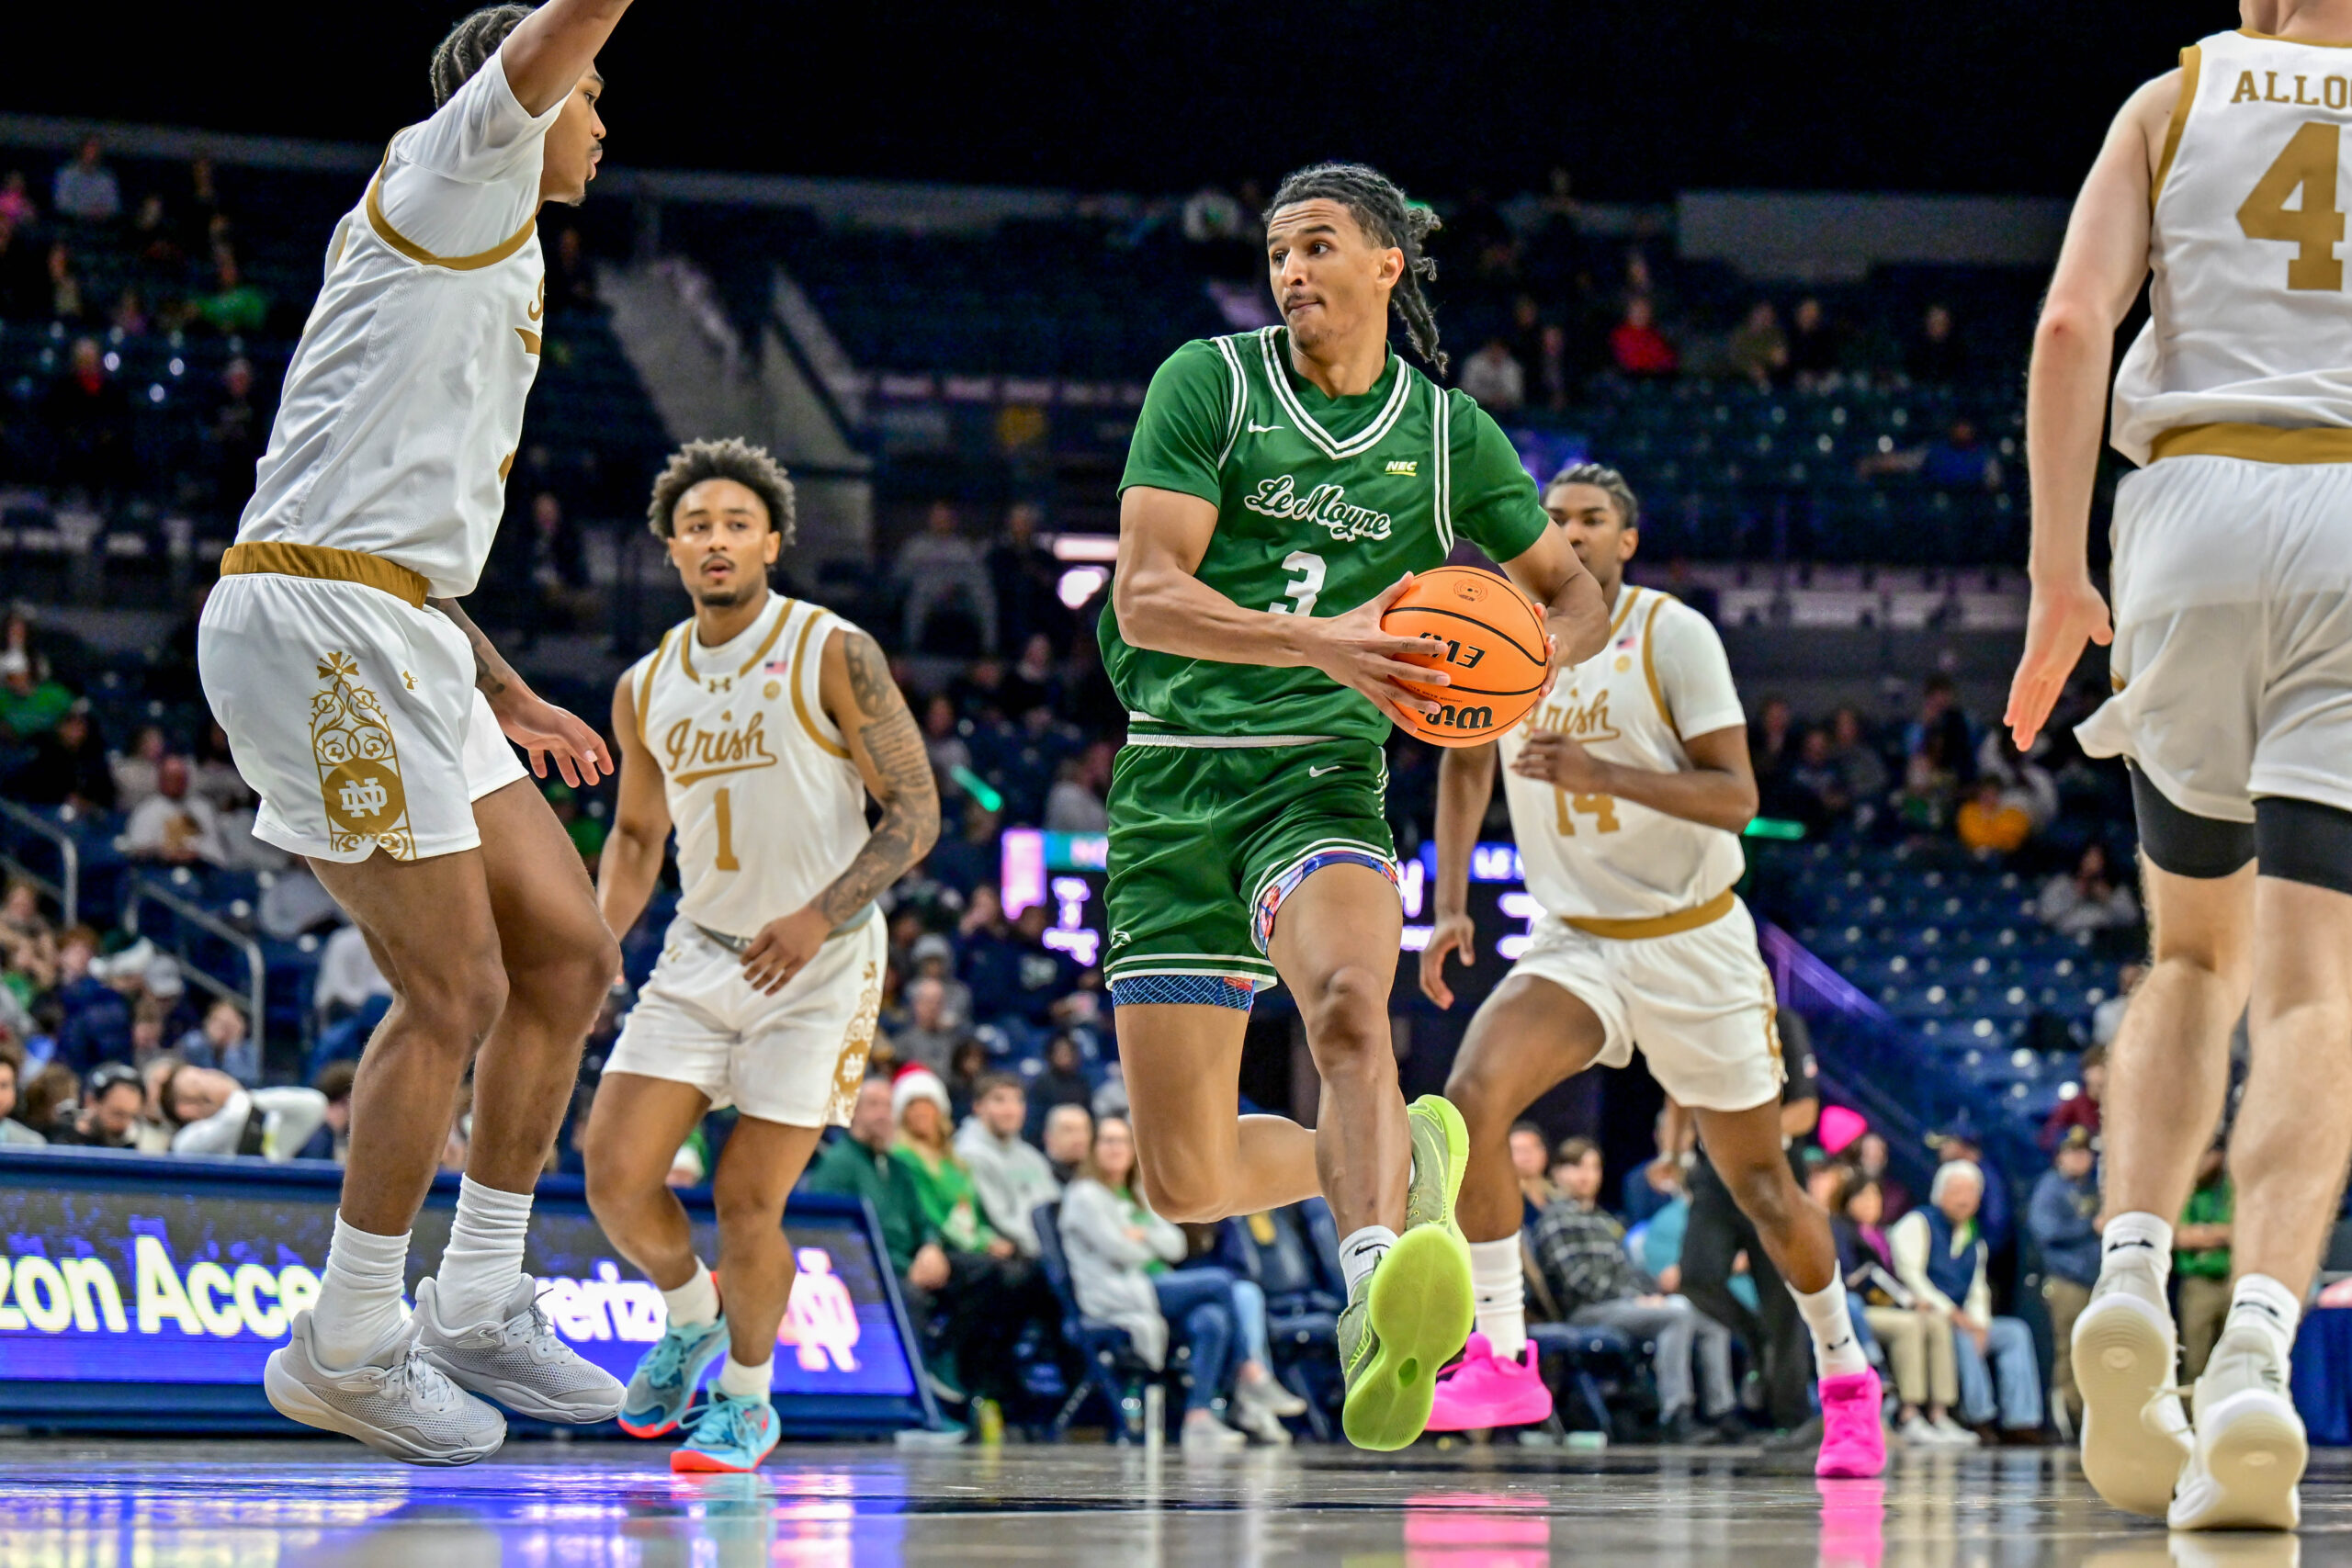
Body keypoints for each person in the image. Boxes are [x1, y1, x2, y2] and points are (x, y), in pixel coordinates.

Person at [1102, 161, 1610, 1452]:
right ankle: (1402, 1164)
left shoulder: (1450, 441)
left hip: (1319, 776)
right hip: (1171, 777)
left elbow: (1575, 594)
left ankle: (1375, 1286)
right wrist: (1322, 637)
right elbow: (1146, 596)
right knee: (1187, 1179)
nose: (1291, 272)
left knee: (1346, 1009)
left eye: (1317, 245)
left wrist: (1515, 675)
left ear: (1387, 262)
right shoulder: (1207, 383)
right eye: (1278, 251)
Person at [193, 0, 639, 1465]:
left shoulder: (490, 244)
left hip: (410, 626)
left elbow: (404, 540)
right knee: (448, 988)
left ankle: (481, 1291)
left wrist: (502, 686)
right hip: (317, 624)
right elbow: (553, 44)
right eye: (591, 95)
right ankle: (350, 1336)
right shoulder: (458, 165)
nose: (599, 119)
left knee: (567, 954)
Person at [2005, 11, 2352, 1529]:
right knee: (2318, 984)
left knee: (2190, 950)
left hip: (2195, 508)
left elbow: (2077, 324)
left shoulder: (2176, 89)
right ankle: (2263, 1346)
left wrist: (2053, 578)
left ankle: (2134, 1260)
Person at [1419, 462, 1882, 1478]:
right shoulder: (1504, 633)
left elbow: (1734, 795)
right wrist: (1450, 901)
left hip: (1693, 938)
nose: (1569, 534)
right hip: (1575, 939)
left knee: (1761, 1185)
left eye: (1590, 520)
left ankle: (1846, 1375)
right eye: (1554, 520)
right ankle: (1502, 1351)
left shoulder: (1670, 634)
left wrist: (1600, 774)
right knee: (1471, 1097)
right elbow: (1461, 761)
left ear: (1626, 541)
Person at [583, 437, 937, 1474]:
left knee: (747, 1200)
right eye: (697, 526)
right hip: (699, 954)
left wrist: (820, 915)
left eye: (737, 522)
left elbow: (915, 813)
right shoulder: (644, 685)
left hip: (820, 964)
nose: (718, 539)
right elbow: (639, 837)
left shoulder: (832, 649)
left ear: (772, 540)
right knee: (613, 1176)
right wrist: (600, 940)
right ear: (670, 551)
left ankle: (745, 1397)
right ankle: (691, 1315)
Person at [1060, 1115, 1284, 1449]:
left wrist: (1141, 1235)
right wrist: (1142, 1242)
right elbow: (1120, 1250)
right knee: (1220, 1282)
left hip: (1155, 1286)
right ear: (1094, 1149)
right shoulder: (1085, 1196)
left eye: (1122, 1141)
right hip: (1117, 1293)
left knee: (1212, 1319)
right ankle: (1249, 1372)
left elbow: (1177, 1244)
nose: (1115, 1148)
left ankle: (1198, 1417)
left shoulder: (1137, 1193)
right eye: (1106, 1140)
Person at [1528, 1139, 1741, 1443]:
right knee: (1675, 1317)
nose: (1586, 1175)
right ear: (1558, 1173)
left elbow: (1629, 1272)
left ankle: (1722, 1412)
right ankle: (1676, 1414)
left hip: (1623, 1306)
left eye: (1593, 1167)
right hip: (1587, 1311)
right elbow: (1578, 1281)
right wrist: (1635, 1299)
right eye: (1576, 1167)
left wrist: (1650, 1295)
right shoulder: (1556, 1220)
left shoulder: (1605, 1221)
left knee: (1710, 1320)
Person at [888, 1064, 1049, 1406]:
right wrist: (982, 1242)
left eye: (928, 1106)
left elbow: (971, 1211)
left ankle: (991, 1370)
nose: (922, 1114)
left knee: (1023, 1279)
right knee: (990, 1273)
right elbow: (928, 1213)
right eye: (913, 1107)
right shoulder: (902, 1157)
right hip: (937, 1248)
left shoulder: (950, 1160)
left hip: (969, 1245)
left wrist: (987, 1237)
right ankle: (949, 1353)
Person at [1890, 1160, 2042, 1441]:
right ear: (1940, 1192)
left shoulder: (1974, 1238)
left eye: (1972, 1192)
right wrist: (1952, 1313)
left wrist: (1981, 1324)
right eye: (1958, 1190)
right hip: (1928, 1313)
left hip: (1962, 1316)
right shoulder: (1918, 1223)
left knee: (2014, 1332)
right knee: (1962, 1335)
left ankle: (2020, 1420)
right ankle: (1979, 1418)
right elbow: (1910, 1275)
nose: (1965, 1198)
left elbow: (1977, 1290)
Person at [1837, 1174, 1971, 1447]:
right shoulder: (1841, 1230)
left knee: (1935, 1321)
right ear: (1847, 1202)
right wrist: (1904, 1301)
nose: (1869, 1203)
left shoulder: (1883, 1236)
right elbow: (1855, 1278)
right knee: (1910, 1326)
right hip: (1859, 1309)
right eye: (1861, 1197)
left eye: (1874, 1196)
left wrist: (1909, 1301)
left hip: (1891, 1305)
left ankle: (1938, 1413)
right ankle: (1908, 1413)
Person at [2029, 1128, 2102, 1427]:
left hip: (2096, 1280)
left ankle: (2092, 1414)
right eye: (2072, 1152)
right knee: (2070, 1348)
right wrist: (2089, 1226)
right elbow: (2045, 1231)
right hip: (2067, 1279)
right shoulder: (2051, 1188)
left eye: (2084, 1153)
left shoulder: (2093, 1188)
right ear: (2060, 1156)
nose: (2079, 1159)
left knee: (2095, 1349)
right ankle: (2069, 1413)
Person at [953, 1073, 1064, 1258]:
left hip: (1052, 1249)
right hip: (1020, 1257)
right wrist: (1049, 1249)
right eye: (999, 1100)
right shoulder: (968, 1155)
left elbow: (1055, 1206)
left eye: (1017, 1101)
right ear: (978, 1107)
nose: (1010, 1110)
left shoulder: (1031, 1156)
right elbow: (1002, 1221)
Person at [161, 1064, 331, 1161]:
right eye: (198, 1082)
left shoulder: (264, 1123)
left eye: (204, 1072)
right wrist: (237, 1095)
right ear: (186, 1109)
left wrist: (251, 1099)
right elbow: (233, 1118)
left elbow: (315, 1104)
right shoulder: (186, 1142)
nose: (213, 1075)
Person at [2177, 1144, 2234, 1382]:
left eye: (2210, 1153)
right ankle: (2192, 1417)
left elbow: (2243, 1231)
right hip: (2197, 1283)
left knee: (2233, 1359)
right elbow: (2178, 1236)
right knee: (2195, 1361)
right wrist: (2219, 1234)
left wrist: (2202, 1235)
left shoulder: (2232, 1189)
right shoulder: (2184, 1188)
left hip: (2232, 1280)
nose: (2204, 1161)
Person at [2036, 843, 2141, 934]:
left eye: (2098, 859)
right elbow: (2046, 915)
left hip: (2103, 944)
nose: (2092, 864)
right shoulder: (2063, 883)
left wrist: (2108, 898)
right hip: (2066, 939)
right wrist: (2075, 895)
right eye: (2089, 857)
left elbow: (2132, 918)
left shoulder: (2116, 890)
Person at [46, 1061, 144, 1149]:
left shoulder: (129, 1151)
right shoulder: (55, 1138)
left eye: (132, 1116)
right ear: (91, 1101)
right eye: (117, 1114)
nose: (125, 1124)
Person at [1042, 1102, 1095, 1184]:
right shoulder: (1039, 1175)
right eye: (1068, 1130)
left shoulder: (1100, 1177)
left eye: (1083, 1130)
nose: (1078, 1138)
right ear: (1048, 1137)